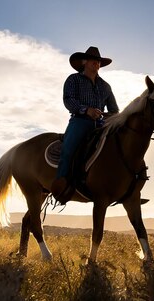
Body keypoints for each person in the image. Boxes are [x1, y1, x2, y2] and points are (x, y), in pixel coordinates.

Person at [51, 46, 119, 203]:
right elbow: (68, 100)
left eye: (99, 62)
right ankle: (61, 184)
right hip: (80, 121)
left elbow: (114, 110)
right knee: (68, 149)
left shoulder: (105, 86)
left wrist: (108, 116)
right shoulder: (73, 79)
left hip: (101, 124)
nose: (97, 64)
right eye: (94, 61)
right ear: (84, 62)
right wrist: (86, 110)